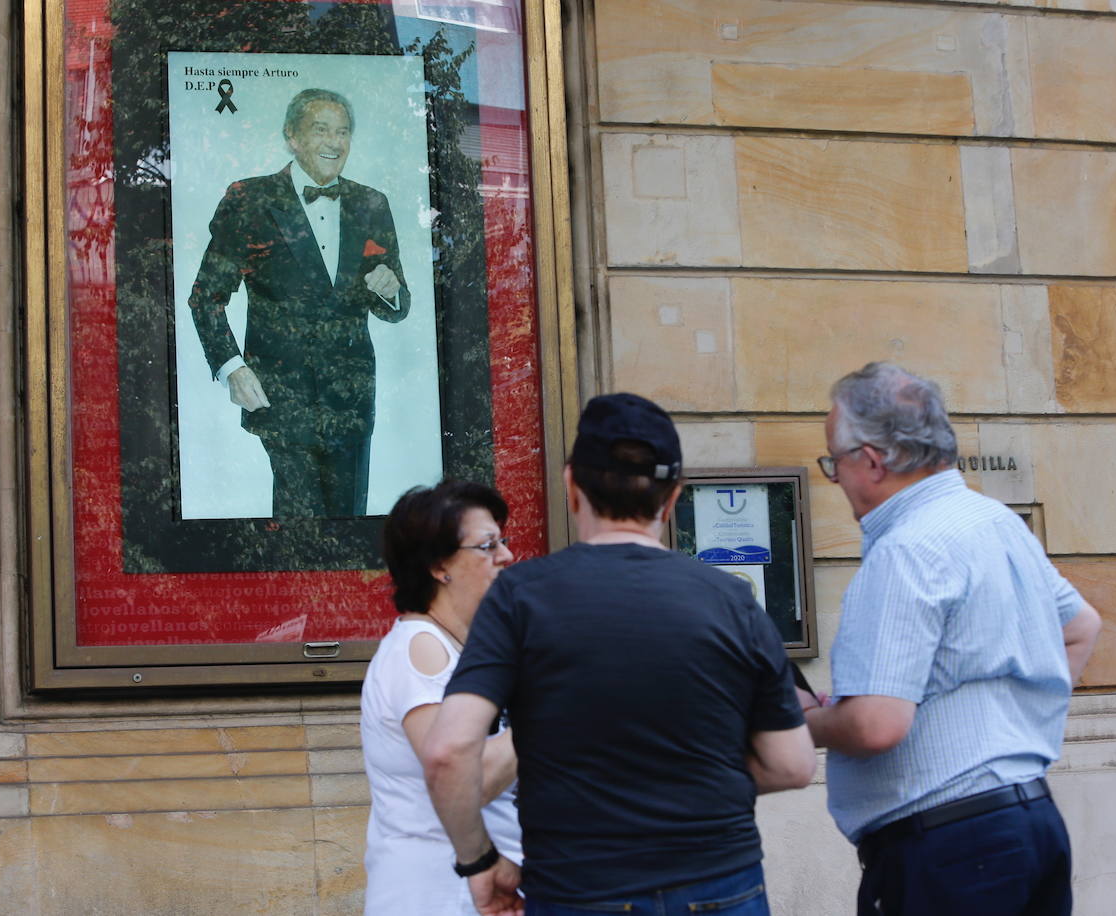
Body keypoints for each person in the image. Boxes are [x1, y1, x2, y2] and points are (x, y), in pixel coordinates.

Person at [422, 393, 816, 916]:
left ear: (571, 486)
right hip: (721, 881)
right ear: (672, 497)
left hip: (579, 886)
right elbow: (792, 765)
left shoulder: (520, 596)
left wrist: (478, 862)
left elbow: (448, 752)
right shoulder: (732, 600)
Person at [802, 362, 1103, 916]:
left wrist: (801, 720)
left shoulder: (905, 549)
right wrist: (1011, 726)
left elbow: (875, 724)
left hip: (949, 845)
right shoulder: (995, 520)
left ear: (871, 461)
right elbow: (1081, 627)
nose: (836, 477)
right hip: (1031, 819)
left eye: (833, 463)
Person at [188, 87, 410, 518]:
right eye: (321, 130)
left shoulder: (371, 204)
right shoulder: (249, 199)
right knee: (297, 530)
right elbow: (205, 298)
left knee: (348, 527)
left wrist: (390, 288)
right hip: (281, 396)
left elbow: (395, 306)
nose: (334, 142)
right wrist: (232, 368)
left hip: (351, 399)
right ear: (292, 135)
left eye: (342, 132)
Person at [361, 480, 521, 915]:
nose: (506, 556)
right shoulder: (422, 651)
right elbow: (466, 776)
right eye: (487, 546)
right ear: (438, 565)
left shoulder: (458, 647)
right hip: (440, 894)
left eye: (503, 541)